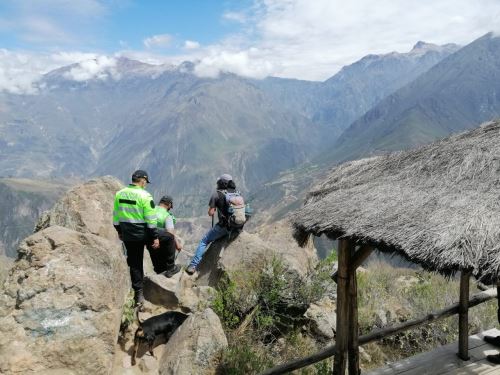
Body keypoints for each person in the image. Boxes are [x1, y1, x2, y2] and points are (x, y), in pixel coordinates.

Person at [113, 170, 159, 306]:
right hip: (143, 233)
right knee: (165, 240)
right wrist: (155, 237)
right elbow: (151, 220)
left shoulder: (119, 194)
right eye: (146, 182)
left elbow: (116, 217)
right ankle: (164, 272)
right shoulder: (145, 196)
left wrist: (119, 231)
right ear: (143, 181)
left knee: (135, 263)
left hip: (128, 234)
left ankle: (138, 294)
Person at [186, 173, 237, 275]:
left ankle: (193, 265)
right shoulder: (235, 193)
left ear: (221, 183)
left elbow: (211, 212)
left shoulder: (216, 194)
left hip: (223, 227)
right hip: (236, 226)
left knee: (204, 241)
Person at [147, 195, 182, 278]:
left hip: (147, 236)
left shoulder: (151, 209)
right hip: (160, 240)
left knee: (153, 247)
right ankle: (171, 268)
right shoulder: (167, 215)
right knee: (170, 238)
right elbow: (170, 233)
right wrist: (177, 244)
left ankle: (159, 270)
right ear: (169, 205)